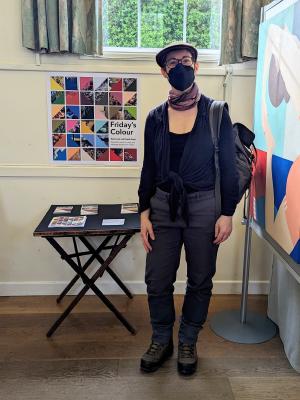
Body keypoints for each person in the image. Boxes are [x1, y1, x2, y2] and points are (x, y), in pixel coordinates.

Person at [137, 42, 240, 376]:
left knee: (199, 278)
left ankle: (188, 340)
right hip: (163, 205)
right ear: (164, 71)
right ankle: (162, 338)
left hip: (204, 206)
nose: (178, 66)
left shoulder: (216, 112)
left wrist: (227, 212)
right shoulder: (154, 117)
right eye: (171, 63)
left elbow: (227, 164)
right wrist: (143, 213)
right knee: (157, 279)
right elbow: (149, 168)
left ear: (195, 67)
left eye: (185, 61)